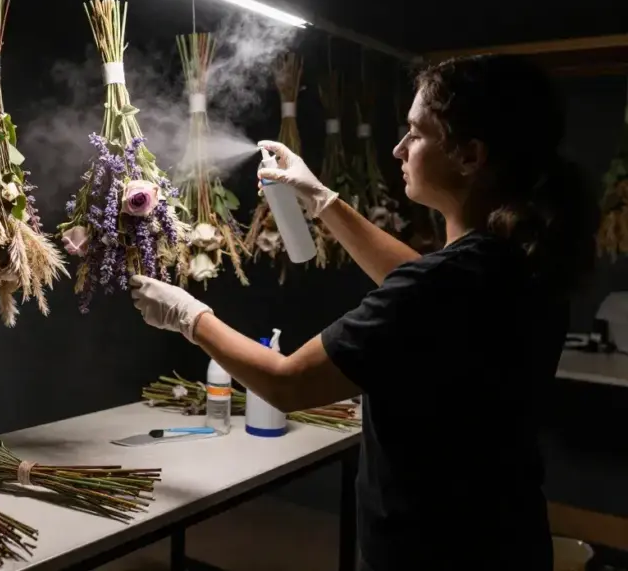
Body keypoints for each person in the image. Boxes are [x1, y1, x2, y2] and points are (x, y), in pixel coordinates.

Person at [130, 55, 598, 571]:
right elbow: (422, 282)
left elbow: (288, 384)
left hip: (428, 552)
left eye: (416, 134)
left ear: (470, 155)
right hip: (505, 539)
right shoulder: (517, 261)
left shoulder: (442, 286)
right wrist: (322, 199)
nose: (398, 148)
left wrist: (188, 316)